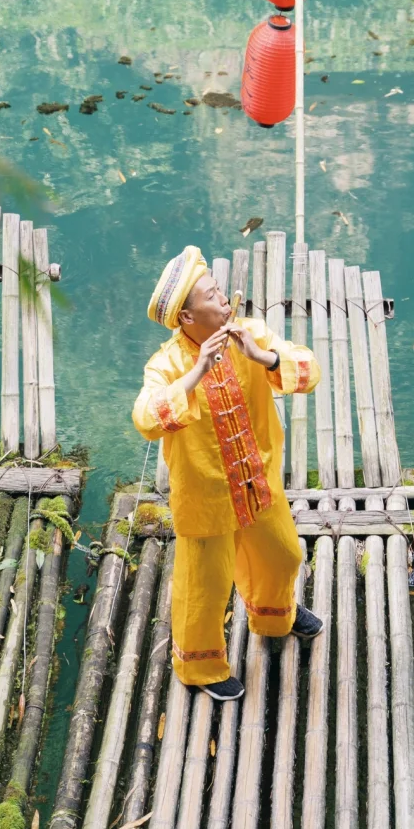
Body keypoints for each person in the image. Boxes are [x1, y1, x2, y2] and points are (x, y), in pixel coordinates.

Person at [132, 245, 323, 702]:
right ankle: (200, 666)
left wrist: (264, 358)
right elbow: (144, 418)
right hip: (206, 498)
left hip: (258, 483)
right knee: (205, 587)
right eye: (212, 296)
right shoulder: (167, 364)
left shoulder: (249, 333)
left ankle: (273, 614)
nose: (224, 300)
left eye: (221, 291)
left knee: (283, 554)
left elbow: (309, 369)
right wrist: (196, 373)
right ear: (185, 317)